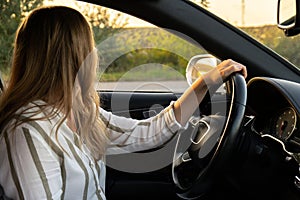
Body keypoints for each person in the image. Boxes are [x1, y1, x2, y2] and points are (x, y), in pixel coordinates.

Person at [0, 5, 247, 200]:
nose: (94, 55)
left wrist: (203, 84)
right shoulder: (27, 132)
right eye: (90, 47)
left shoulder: (80, 111)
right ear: (74, 57)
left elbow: (145, 134)